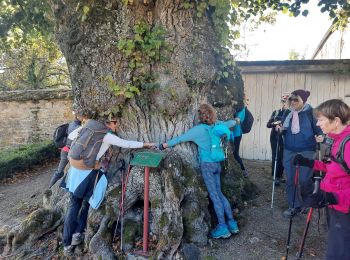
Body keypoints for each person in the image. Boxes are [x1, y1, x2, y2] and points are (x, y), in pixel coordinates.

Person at [62, 116, 155, 257]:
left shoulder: (87, 127)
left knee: (74, 204)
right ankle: (76, 234)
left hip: (75, 170)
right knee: (86, 202)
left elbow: (71, 135)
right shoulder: (106, 136)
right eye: (115, 123)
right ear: (108, 123)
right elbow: (126, 143)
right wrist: (145, 144)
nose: (117, 126)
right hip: (88, 173)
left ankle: (67, 242)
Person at [160, 104, 240, 239]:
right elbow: (230, 123)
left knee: (215, 196)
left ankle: (222, 227)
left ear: (200, 116)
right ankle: (232, 224)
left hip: (207, 165)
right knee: (220, 194)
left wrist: (163, 145)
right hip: (217, 164)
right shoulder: (218, 125)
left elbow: (180, 139)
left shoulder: (198, 130)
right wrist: (237, 120)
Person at [293, 99, 350, 260]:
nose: (318, 124)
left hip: (344, 209)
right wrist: (309, 162)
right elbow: (334, 167)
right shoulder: (337, 140)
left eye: (321, 119)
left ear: (336, 121)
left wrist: (332, 197)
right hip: (336, 205)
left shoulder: (348, 144)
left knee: (339, 253)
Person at [277, 89, 323, 218]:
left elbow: (320, 130)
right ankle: (294, 205)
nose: (292, 102)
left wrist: (321, 136)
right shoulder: (287, 113)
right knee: (290, 180)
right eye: (291, 99)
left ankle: (307, 202)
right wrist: (279, 128)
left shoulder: (311, 113)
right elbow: (282, 127)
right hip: (289, 149)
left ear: (304, 100)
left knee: (304, 180)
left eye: (296, 99)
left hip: (307, 150)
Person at [49, 112, 85, 188]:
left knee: (65, 171)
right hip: (67, 151)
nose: (83, 117)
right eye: (81, 116)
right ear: (77, 116)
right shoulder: (76, 127)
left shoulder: (72, 124)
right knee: (60, 171)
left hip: (67, 150)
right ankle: (50, 188)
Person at [266, 94, 289, 186]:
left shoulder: (290, 113)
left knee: (282, 156)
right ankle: (275, 176)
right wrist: (276, 123)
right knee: (275, 156)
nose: (284, 104)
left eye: (286, 102)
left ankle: (280, 175)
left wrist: (282, 125)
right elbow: (268, 124)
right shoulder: (275, 112)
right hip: (274, 137)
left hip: (285, 137)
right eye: (283, 101)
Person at [232, 96, 249, 177]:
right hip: (232, 134)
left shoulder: (242, 109)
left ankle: (243, 170)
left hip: (237, 134)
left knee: (235, 153)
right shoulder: (236, 108)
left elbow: (238, 120)